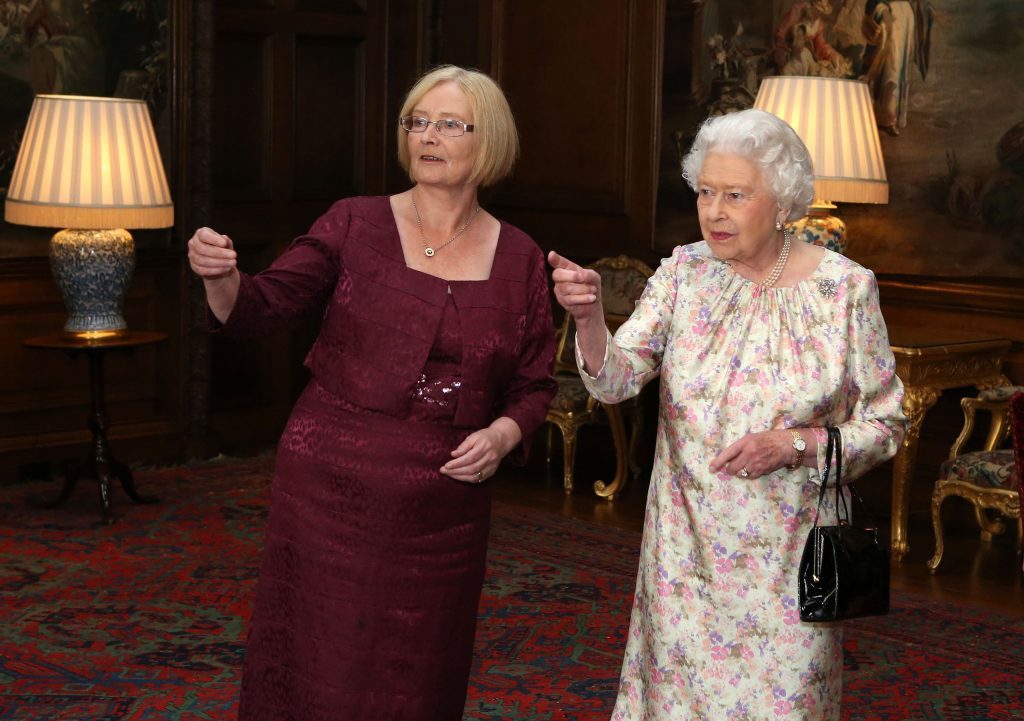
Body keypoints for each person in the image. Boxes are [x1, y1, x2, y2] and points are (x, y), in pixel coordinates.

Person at [188, 65, 557, 720]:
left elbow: (534, 383)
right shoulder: (353, 223)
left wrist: (502, 435)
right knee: (315, 656)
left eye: (449, 124)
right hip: (329, 483)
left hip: (444, 505)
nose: (428, 136)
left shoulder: (522, 256)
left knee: (418, 668)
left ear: (489, 140)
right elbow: (263, 306)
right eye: (417, 121)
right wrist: (222, 277)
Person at [549, 108, 907, 720]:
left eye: (735, 195)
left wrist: (795, 444)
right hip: (683, 556)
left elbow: (887, 425)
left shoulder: (845, 290)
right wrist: (588, 322)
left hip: (791, 556)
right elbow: (616, 380)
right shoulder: (684, 274)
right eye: (706, 193)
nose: (714, 211)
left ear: (782, 201)